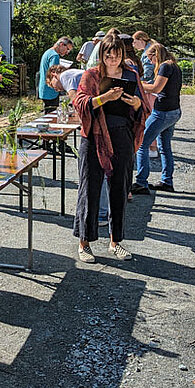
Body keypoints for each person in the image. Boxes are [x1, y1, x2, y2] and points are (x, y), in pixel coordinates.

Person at [73, 33, 148, 263]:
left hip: (122, 135)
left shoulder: (131, 74)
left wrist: (135, 103)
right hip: (94, 137)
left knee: (119, 188)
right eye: (108, 53)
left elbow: (142, 106)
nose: (112, 57)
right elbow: (80, 103)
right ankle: (84, 243)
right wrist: (103, 98)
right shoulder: (92, 75)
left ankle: (116, 241)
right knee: (90, 188)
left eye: (116, 53)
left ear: (122, 54)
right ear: (102, 54)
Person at [46, 64, 110, 228]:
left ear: (54, 75)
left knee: (93, 170)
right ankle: (104, 210)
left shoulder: (65, 76)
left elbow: (77, 102)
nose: (55, 89)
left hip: (97, 123)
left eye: (51, 84)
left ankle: (101, 213)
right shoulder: (76, 74)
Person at [132, 42, 183, 194]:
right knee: (164, 146)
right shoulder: (174, 65)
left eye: (150, 58)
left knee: (142, 144)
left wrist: (139, 85)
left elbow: (156, 88)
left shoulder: (165, 66)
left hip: (162, 112)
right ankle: (167, 181)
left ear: (156, 55)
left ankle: (141, 182)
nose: (149, 61)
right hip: (174, 111)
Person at [38, 37, 74, 111]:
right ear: (61, 44)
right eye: (67, 49)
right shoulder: (55, 56)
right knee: (51, 116)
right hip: (51, 91)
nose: (67, 53)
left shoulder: (48, 52)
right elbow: (55, 74)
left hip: (44, 89)